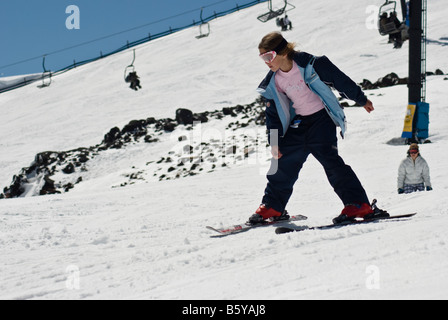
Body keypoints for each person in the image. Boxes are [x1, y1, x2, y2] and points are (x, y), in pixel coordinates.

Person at [249, 32, 376, 225]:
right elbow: (272, 116)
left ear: (282, 52)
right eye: (262, 58)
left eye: (268, 57)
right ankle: (273, 206)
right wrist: (274, 143)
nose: (266, 62)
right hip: (299, 124)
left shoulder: (311, 65)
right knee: (282, 162)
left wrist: (361, 99)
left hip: (321, 120)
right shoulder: (273, 82)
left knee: (331, 162)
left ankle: (358, 204)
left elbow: (339, 80)